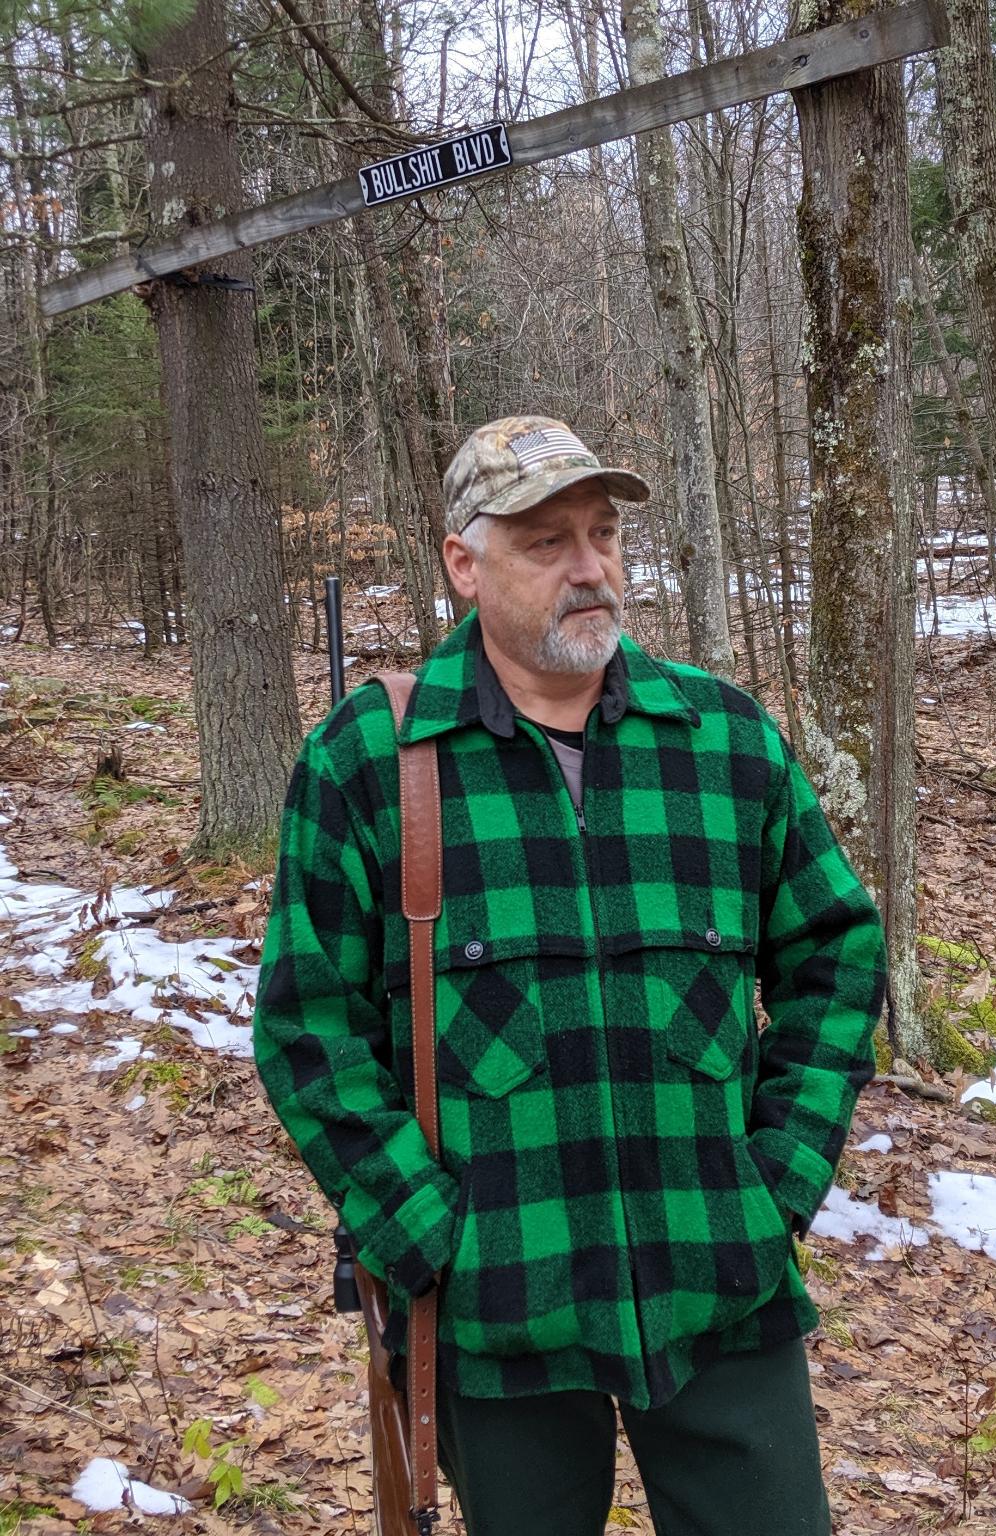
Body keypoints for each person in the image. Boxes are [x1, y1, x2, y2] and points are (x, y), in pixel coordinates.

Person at [253, 415, 887, 1536]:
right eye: (546, 541)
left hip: (718, 1277)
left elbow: (836, 950)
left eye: (602, 534)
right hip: (498, 1302)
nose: (589, 566)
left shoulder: (724, 741)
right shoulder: (371, 759)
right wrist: (427, 1234)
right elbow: (308, 1026)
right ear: (464, 563)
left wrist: (779, 1180)